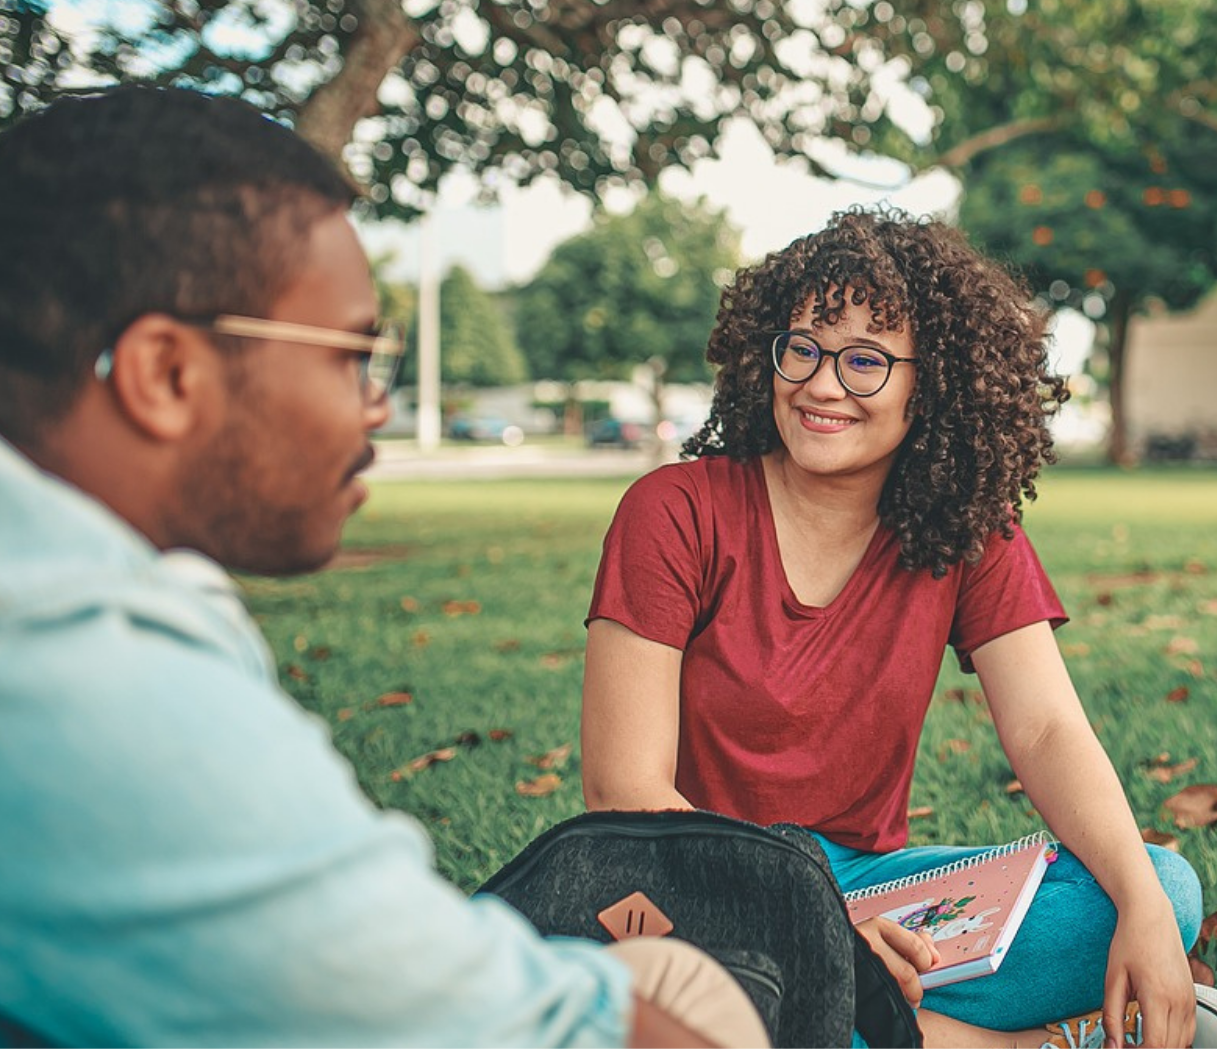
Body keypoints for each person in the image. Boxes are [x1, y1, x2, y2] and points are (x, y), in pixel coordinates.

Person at [0, 87, 765, 1048]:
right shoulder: (89, 675)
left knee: (661, 968)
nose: (372, 406)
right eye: (353, 356)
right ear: (167, 374)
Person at [580, 209, 1217, 1048]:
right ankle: (1024, 1045)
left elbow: (1045, 729)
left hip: (866, 892)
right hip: (688, 891)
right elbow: (622, 794)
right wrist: (812, 933)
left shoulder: (966, 527)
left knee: (1158, 885)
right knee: (690, 997)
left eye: (866, 360)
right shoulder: (673, 511)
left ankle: (848, 1016)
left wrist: (1147, 914)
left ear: (929, 382)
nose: (823, 385)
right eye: (805, 347)